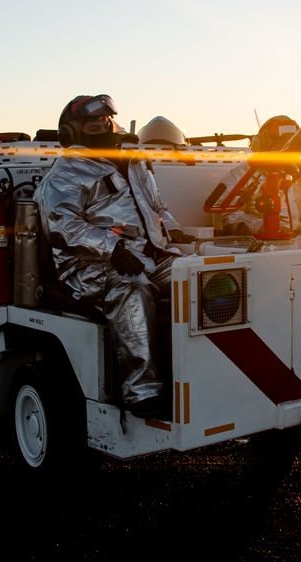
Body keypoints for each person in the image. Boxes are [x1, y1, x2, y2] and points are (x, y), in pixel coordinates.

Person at [33, 94, 195, 419]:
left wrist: (174, 232)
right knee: (131, 288)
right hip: (88, 267)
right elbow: (62, 226)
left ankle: (197, 370)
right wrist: (113, 248)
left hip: (147, 256)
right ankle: (142, 391)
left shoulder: (133, 162)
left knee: (195, 273)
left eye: (105, 120)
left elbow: (157, 207)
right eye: (91, 123)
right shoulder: (65, 173)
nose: (101, 126)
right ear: (73, 130)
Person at [216, 115, 301, 241]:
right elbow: (226, 215)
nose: (289, 151)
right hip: (263, 250)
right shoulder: (244, 173)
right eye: (282, 144)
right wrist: (263, 228)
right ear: (261, 144)